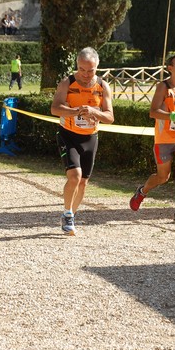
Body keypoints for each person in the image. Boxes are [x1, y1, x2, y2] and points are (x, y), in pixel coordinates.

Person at [129, 54, 175, 225]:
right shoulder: (163, 87)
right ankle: (142, 191)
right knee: (163, 177)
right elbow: (153, 112)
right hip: (164, 139)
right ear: (170, 68)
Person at [51, 47, 114, 236]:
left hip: (90, 138)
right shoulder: (67, 83)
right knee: (74, 175)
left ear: (97, 67)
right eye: (82, 69)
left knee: (83, 182)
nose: (86, 74)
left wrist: (94, 112)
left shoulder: (103, 86)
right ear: (77, 65)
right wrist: (76, 111)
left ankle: (71, 215)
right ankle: (68, 214)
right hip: (68, 135)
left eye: (91, 70)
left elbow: (110, 117)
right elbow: (55, 109)